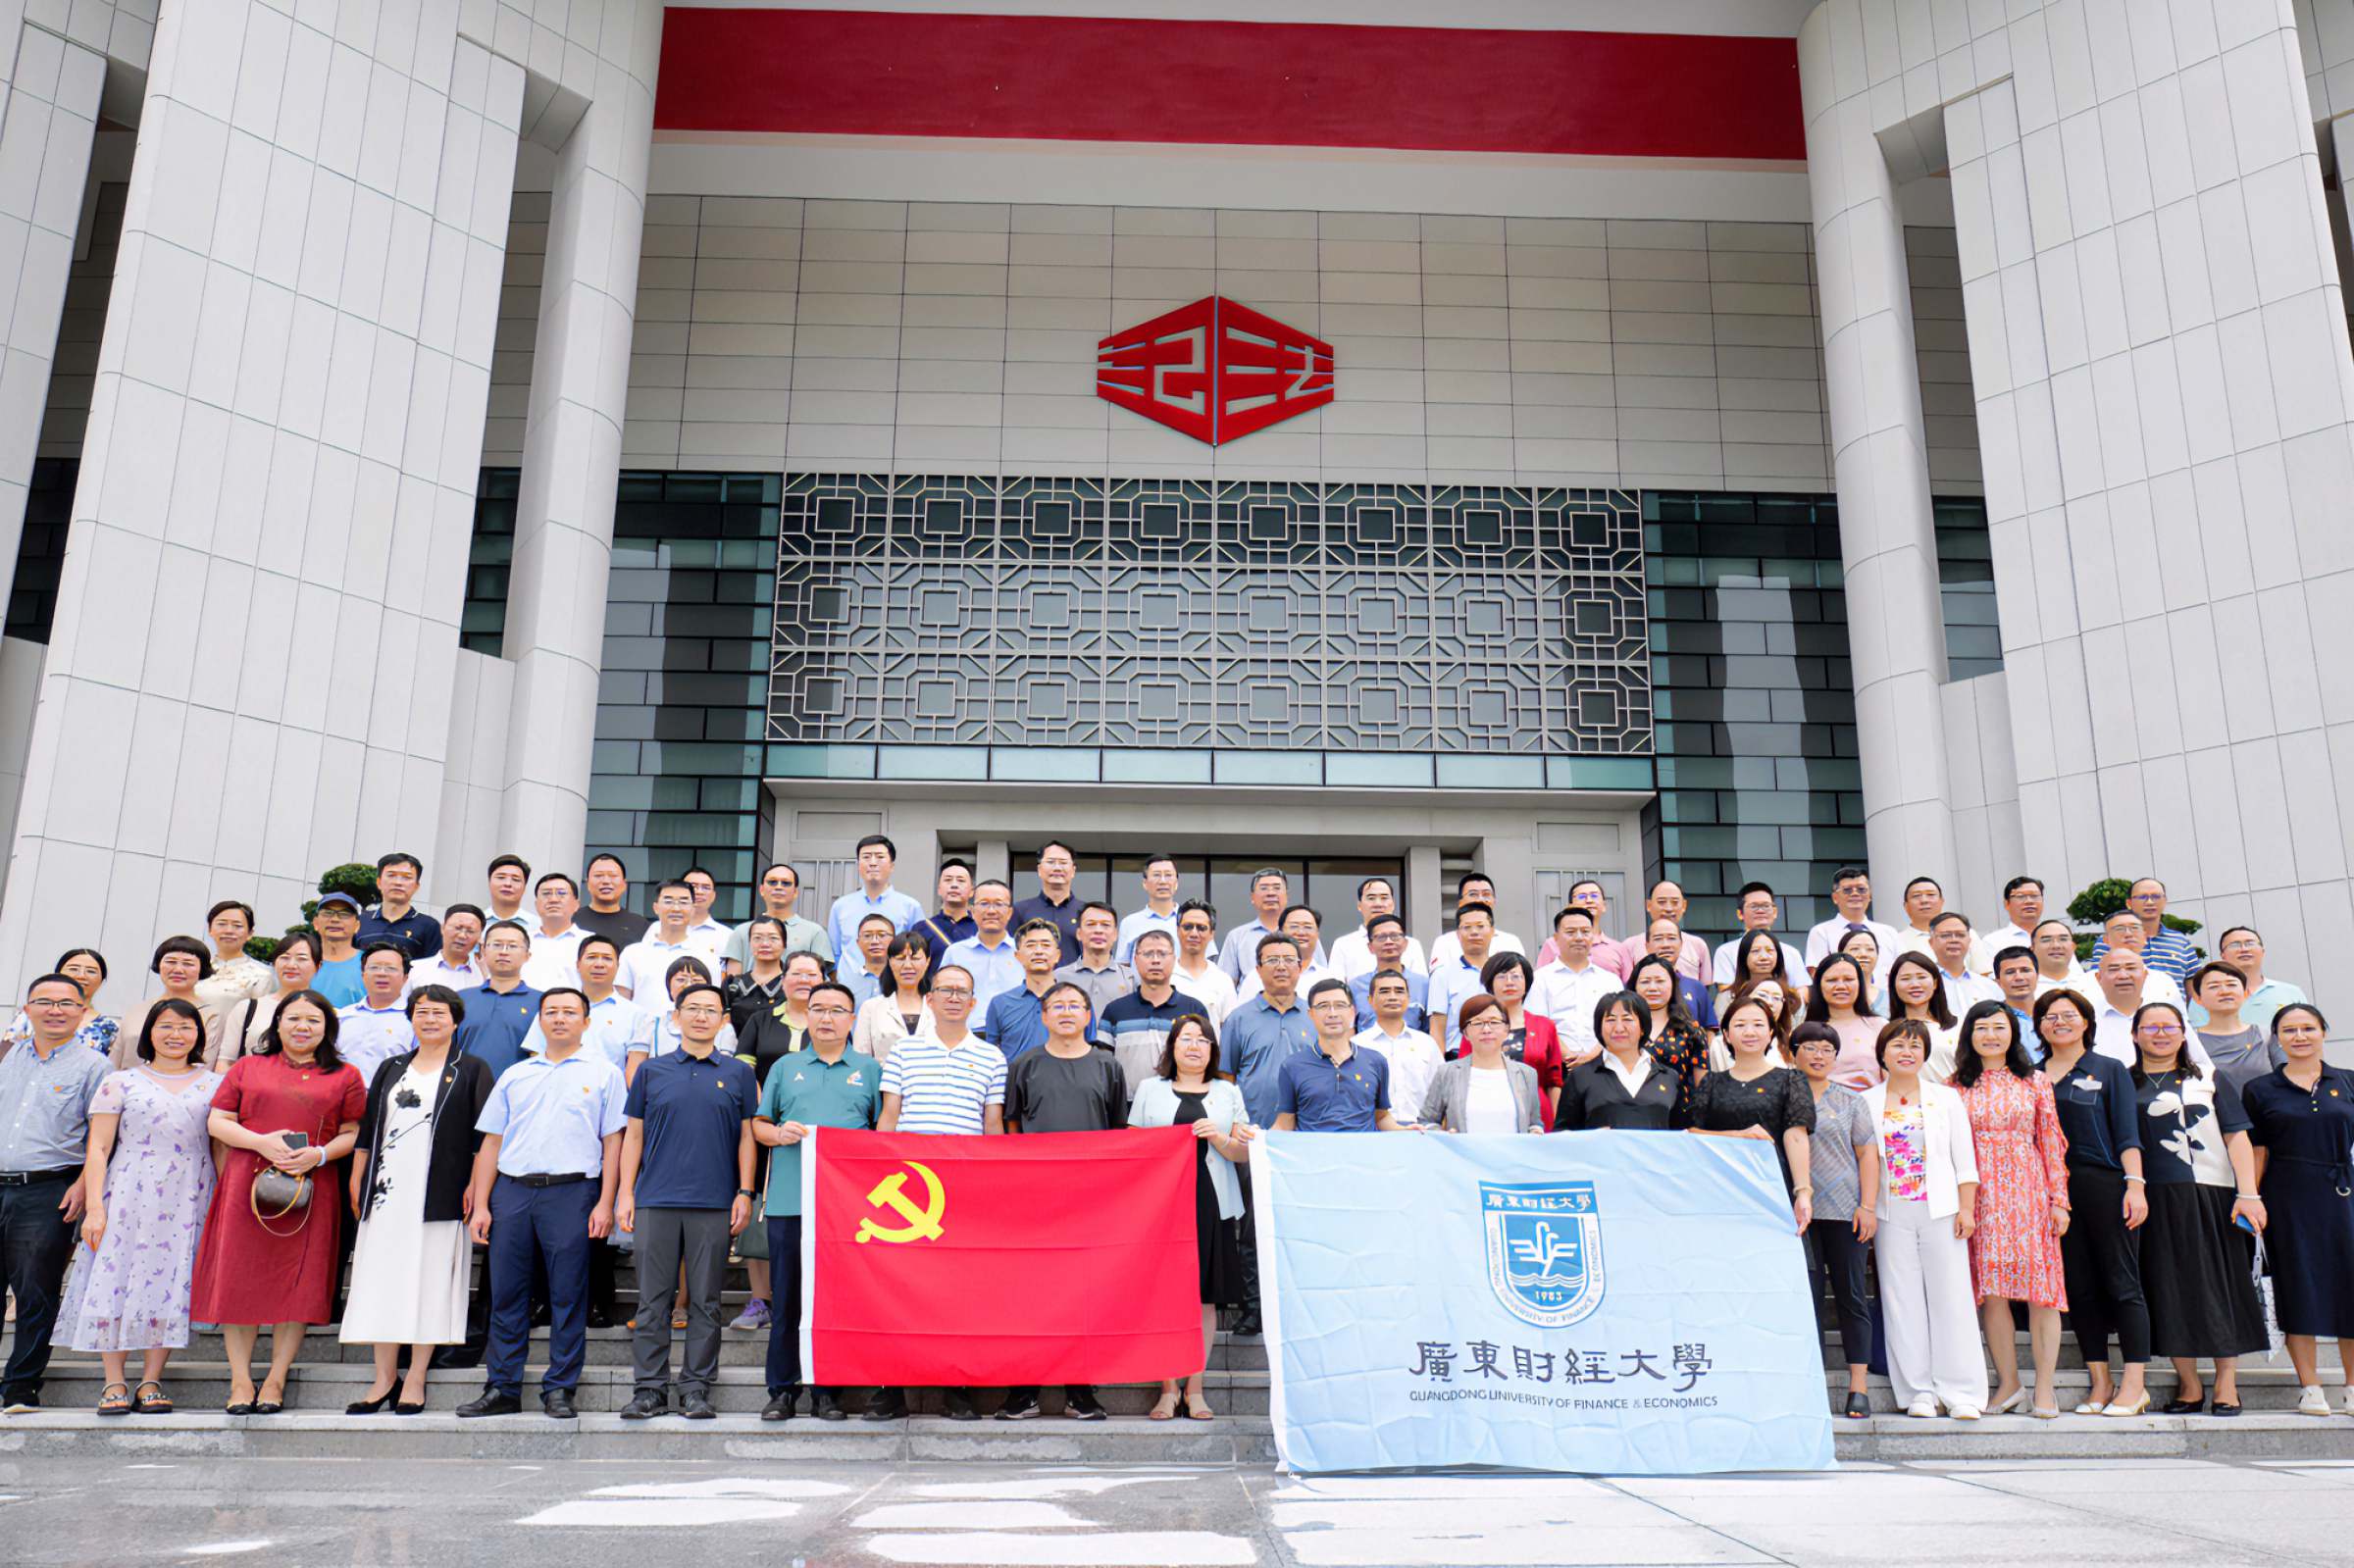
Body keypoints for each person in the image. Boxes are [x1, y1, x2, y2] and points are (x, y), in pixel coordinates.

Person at [455, 988, 629, 1421]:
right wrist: (482, 1204)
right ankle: (502, 1386)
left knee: (568, 1293)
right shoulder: (516, 1074)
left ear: (586, 1022)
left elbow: (614, 1142)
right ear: (540, 1020)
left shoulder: (605, 1073)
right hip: (513, 1192)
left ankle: (560, 1388)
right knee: (507, 1293)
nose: (560, 1019)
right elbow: (492, 1142)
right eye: (551, 1012)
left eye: (570, 1012)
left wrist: (605, 1202)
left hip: (573, 1192)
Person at [189, 988, 365, 1414]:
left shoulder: (345, 1075)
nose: (303, 1027)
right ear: (278, 1024)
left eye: (313, 1021)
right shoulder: (248, 1067)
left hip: (311, 1186)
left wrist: (319, 1154)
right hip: (246, 1184)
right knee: (239, 1279)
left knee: (298, 1283)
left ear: (328, 1029)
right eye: (293, 1019)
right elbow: (218, 1121)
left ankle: (276, 1378)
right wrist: (261, 1142)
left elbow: (353, 1132)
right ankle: (240, 1380)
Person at [56, 998, 220, 1416]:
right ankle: (113, 1380)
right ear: (149, 1033)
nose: (175, 1035)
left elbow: (220, 1147)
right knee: (115, 1277)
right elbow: (98, 1148)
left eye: (185, 1027)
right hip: (128, 1190)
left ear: (199, 1035)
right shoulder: (120, 1082)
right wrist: (95, 1207)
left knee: (172, 1279)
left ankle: (151, 1379)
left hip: (190, 1193)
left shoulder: (215, 1084)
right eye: (166, 1026)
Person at [339, 985, 496, 1414]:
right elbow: (368, 1130)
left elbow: (485, 1138)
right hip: (386, 1193)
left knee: (431, 1280)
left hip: (440, 1193)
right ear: (410, 1018)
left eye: (439, 1013)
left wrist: (476, 1188)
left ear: (456, 1021)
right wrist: (357, 1177)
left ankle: (416, 1376)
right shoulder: (391, 1068)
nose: (430, 1019)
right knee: (381, 1279)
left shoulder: (472, 1069)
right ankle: (383, 1377)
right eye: (422, 1012)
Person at [871, 964, 1004, 1421]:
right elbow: (890, 1115)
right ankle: (889, 1388)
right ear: (929, 999)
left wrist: (991, 1184)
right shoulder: (904, 1051)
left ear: (973, 1003)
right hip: (910, 1186)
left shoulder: (992, 1057)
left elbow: (992, 1124)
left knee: (959, 1290)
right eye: (944, 990)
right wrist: (882, 1170)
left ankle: (956, 1387)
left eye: (962, 992)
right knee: (898, 1288)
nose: (953, 998)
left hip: (965, 1186)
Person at [617, 982, 755, 1421]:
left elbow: (747, 1137)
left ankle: (696, 1388)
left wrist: (745, 1192)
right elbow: (633, 1136)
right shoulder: (651, 1071)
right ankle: (649, 1389)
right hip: (655, 1199)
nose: (700, 1016)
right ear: (675, 1017)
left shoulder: (738, 1073)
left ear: (723, 1020)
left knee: (706, 1301)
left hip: (714, 1202)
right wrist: (625, 1192)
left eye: (710, 1010)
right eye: (692, 1008)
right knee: (652, 1300)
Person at [751, 979, 881, 1422]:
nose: (827, 1018)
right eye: (818, 1009)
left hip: (846, 1210)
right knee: (787, 1299)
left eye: (837, 1010)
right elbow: (759, 1126)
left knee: (834, 1301)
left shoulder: (869, 1069)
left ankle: (827, 1390)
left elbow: (882, 1135)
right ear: (806, 1016)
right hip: (791, 1201)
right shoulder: (785, 1067)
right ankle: (782, 1390)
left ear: (852, 1018)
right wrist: (777, 1133)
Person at [999, 982, 1128, 1421]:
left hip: (1091, 1199)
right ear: (1044, 1016)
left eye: (1075, 1005)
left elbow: (1117, 1130)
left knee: (1084, 1294)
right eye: (1058, 1006)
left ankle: (1080, 1390)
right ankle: (1024, 1389)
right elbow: (1012, 1126)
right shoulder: (1024, 1065)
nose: (1067, 1012)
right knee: (1030, 1294)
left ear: (1089, 1015)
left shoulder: (1107, 1066)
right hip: (1035, 1199)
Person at [2131, 1000, 2266, 1417]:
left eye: (2169, 1027)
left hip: (2212, 1193)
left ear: (2183, 1032)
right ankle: (2188, 1383)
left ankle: (2227, 1382)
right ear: (2134, 1034)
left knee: (2220, 1284)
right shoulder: (2125, 1082)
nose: (2160, 1034)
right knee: (2167, 1286)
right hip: (2153, 1197)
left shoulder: (2209, 1077)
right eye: (2150, 1027)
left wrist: (2249, 1193)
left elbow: (2237, 1136)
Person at [2035, 986, 2153, 1416]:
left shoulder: (2108, 1069)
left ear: (2086, 1022)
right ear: (2039, 1026)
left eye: (2069, 1015)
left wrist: (2135, 1185)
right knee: (2079, 1287)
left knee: (2123, 1283)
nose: (2060, 1023)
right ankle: (2100, 1382)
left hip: (2104, 1184)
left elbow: (2127, 1133)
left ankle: (2135, 1385)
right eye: (2051, 1016)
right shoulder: (2031, 1075)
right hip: (2052, 1194)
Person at [1128, 1013, 1251, 1420]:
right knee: (1163, 1294)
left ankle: (1195, 1388)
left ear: (1212, 1050)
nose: (1194, 1046)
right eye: (1186, 1038)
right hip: (1161, 1203)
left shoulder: (1228, 1091)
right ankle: (1168, 1389)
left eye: (1202, 1039)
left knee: (1204, 1297)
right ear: (1172, 1047)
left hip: (1213, 1201)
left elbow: (1243, 1152)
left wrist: (1219, 1138)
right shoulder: (1150, 1089)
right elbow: (1133, 1146)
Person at [1952, 1000, 2070, 1419]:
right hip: (1979, 1195)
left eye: (1999, 1027)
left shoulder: (2035, 1081)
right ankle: (2009, 1382)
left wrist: (2059, 1200)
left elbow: (2051, 1141)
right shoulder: (1955, 1087)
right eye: (1981, 1027)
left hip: (2029, 1192)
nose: (1991, 1035)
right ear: (1969, 1035)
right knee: (1992, 1293)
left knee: (2043, 1292)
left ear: (2013, 1033)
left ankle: (2045, 1387)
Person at [2237, 1003, 2354, 1416]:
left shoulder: (2347, 1081)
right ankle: (2310, 1386)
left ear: (2324, 1032)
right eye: (2289, 1030)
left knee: (2349, 1288)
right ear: (2277, 1039)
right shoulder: (2260, 1089)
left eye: (2308, 1028)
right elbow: (2257, 1150)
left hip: (2342, 1194)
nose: (2300, 1036)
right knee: (2296, 1287)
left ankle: (2352, 1386)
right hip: (2286, 1198)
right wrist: (2251, 1198)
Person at [1865, 1018, 1984, 1419]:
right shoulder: (1866, 1101)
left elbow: (1964, 1159)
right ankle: (1918, 1391)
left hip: (1941, 1208)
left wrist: (1966, 1208)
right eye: (1898, 1045)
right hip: (1890, 1211)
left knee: (1951, 1297)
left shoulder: (1945, 1099)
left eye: (1915, 1046)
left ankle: (1962, 1392)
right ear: (1882, 1053)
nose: (1907, 1052)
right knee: (1902, 1300)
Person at [1787, 1020, 1877, 1418]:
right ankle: (1812, 1386)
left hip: (1844, 1210)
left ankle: (1859, 1386)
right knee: (1806, 1299)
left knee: (1852, 1296)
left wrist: (1867, 1205)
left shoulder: (1851, 1101)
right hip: (1796, 1213)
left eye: (1826, 1049)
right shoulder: (1784, 1096)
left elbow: (1867, 1154)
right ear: (1793, 1053)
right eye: (1809, 1047)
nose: (1818, 1055)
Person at [1689, 994, 1815, 1233]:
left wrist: (1803, 1192)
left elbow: (1796, 1136)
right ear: (1726, 1035)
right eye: (1740, 1025)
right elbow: (1693, 1133)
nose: (1749, 1032)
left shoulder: (1791, 1080)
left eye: (1758, 1024)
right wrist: (1738, 1135)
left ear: (1770, 1033)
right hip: (1721, 1186)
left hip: (1773, 1184)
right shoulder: (1711, 1082)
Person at [1273, 979, 1403, 1133]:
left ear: (1352, 1011)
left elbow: (1381, 1117)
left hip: (1364, 1148)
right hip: (1313, 1148)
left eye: (1340, 1005)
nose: (1332, 1013)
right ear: (1311, 1014)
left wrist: (1407, 1132)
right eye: (1323, 1006)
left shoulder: (1376, 1062)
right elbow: (1284, 1123)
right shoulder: (1292, 1066)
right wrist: (1257, 1138)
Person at [1553, 991, 1683, 1132]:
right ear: (1599, 1028)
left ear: (1643, 1028)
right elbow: (1562, 1135)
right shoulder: (1581, 1076)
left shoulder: (1669, 1077)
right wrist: (1590, 1138)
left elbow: (1681, 1135)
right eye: (1610, 1020)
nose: (1619, 1028)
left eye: (1627, 1019)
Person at [1421, 992, 1544, 1134]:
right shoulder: (1447, 1073)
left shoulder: (1526, 1074)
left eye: (1494, 1022)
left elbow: (1534, 1123)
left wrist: (1536, 1131)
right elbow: (1427, 1122)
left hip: (1512, 1148)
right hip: (1463, 1148)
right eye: (1477, 1023)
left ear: (1506, 1029)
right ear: (1465, 1032)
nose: (1486, 1029)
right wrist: (1446, 1136)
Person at [1100, 930, 1206, 1092]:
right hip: (1125, 1104)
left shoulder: (1194, 1010)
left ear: (1174, 959)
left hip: (1180, 1102)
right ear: (1135, 960)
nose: (1155, 960)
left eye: (1162, 954)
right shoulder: (1115, 1011)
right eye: (1148, 954)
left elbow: (1206, 1061)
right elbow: (1102, 1067)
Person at [1473, 951, 1566, 1117]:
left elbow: (1554, 1081)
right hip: (1486, 1110)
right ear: (1490, 983)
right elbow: (1464, 1074)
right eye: (1502, 976)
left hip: (1536, 1112)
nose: (1509, 982)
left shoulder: (1545, 1026)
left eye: (1516, 976)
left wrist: (1554, 1120)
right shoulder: (1476, 1024)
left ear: (1526, 983)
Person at [209, 933, 321, 1070]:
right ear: (274, 963)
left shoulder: (327, 1013)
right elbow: (226, 1061)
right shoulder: (248, 1008)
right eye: (284, 958)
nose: (291, 965)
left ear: (318, 966)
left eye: (301, 959)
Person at [2091, 946, 2210, 1071]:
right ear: (2098, 978)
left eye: (2131, 968)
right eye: (2113, 969)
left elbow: (2202, 1066)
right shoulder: (2086, 1019)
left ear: (2145, 976)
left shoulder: (2167, 1015)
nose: (2123, 975)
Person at [1352, 970, 1442, 1126]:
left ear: (1408, 999)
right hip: (1372, 1131)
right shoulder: (1356, 1045)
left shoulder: (1427, 1044)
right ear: (1370, 1000)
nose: (1392, 997)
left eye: (1399, 991)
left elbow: (1442, 1092)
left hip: (1421, 1130)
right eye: (1384, 991)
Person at [1529, 906, 1619, 1062]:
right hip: (1557, 1064)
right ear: (1556, 938)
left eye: (1585, 932)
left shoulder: (1610, 980)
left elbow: (1617, 1022)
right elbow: (1538, 1024)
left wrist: (1592, 1057)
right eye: (1570, 932)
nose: (1579, 937)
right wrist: (1568, 1056)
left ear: (1593, 936)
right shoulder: (1540, 979)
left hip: (1604, 1062)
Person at [2, 946, 119, 1064]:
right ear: (58, 974)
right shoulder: (31, 1014)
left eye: (91, 971)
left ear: (102, 980)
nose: (82, 976)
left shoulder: (110, 1028)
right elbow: (5, 1054)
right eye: (73, 969)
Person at [455, 922, 544, 1076]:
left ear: (527, 956)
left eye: (512, 946)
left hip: (519, 1087)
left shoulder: (543, 1003)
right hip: (465, 1087)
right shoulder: (460, 1000)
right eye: (496, 945)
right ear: (483, 951)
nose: (504, 952)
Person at [1623, 954, 1708, 1116]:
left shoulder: (1691, 1030)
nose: (1652, 988)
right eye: (1645, 982)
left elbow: (1702, 1086)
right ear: (1634, 986)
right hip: (1630, 1115)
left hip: (1679, 1117)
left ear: (1673, 985)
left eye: (1660, 981)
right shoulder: (1621, 1028)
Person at [2187, 960, 2283, 1096]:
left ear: (2245, 993)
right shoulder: (2190, 1041)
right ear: (2198, 999)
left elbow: (2286, 1079)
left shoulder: (2267, 1035)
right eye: (2214, 986)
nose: (2224, 992)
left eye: (2231, 985)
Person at [722, 861, 834, 976]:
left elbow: (821, 979)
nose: (779, 887)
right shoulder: (741, 931)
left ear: (795, 892)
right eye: (772, 882)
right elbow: (733, 979)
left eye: (786, 883)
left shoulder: (815, 932)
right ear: (761, 890)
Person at [2195, 927, 2309, 1035]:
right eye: (2235, 945)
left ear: (2262, 951)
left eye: (2250, 943)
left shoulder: (2291, 992)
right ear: (2222, 955)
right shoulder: (2205, 995)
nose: (2244, 949)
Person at [980, 918, 1065, 1060]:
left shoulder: (1076, 1002)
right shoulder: (1000, 1003)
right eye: (1031, 945)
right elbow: (991, 1054)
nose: (1038, 951)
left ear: (1057, 955)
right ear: (1017, 956)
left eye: (1045, 945)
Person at [335, 943, 417, 1092]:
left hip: (392, 1099)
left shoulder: (414, 1019)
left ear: (405, 978)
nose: (382, 973)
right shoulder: (342, 1017)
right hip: (345, 1099)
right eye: (374, 967)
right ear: (363, 975)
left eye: (391, 968)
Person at [2090, 878, 2200, 986]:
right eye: (2142, 897)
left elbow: (2194, 985)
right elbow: (2096, 981)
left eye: (2156, 896)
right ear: (2129, 903)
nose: (2150, 902)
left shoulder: (2181, 941)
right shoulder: (2110, 940)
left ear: (2165, 901)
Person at [1425, 901, 1502, 1048]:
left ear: (1492, 931)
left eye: (1480, 926)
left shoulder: (1503, 972)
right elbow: (1437, 1028)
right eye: (1467, 927)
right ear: (1458, 934)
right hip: (1456, 1054)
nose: (1474, 932)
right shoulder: (1442, 974)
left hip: (1499, 1054)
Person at [943, 880, 1023, 1020]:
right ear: (972, 911)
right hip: (968, 1031)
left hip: (1015, 1031)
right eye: (984, 903)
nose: (991, 911)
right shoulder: (955, 953)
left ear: (1010, 912)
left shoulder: (1023, 952)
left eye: (999, 904)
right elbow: (942, 996)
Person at [1804, 865, 1903, 974]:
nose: (1855, 893)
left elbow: (1902, 970)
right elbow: (1816, 973)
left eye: (1861, 889)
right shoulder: (1821, 932)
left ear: (1870, 896)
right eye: (1847, 890)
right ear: (1835, 898)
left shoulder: (1889, 933)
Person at [1806, 951, 1881, 1090]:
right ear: (1819, 985)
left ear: (1860, 983)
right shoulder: (1805, 1031)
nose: (1841, 986)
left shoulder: (1879, 1026)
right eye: (1832, 980)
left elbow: (1891, 1081)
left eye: (1848, 979)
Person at [1709, 882, 1806, 990]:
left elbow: (1802, 990)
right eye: (1754, 906)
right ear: (1740, 914)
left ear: (1775, 912)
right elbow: (1725, 990)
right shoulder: (1726, 952)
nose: (1760, 910)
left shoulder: (1791, 952)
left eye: (1766, 906)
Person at [853, 931, 935, 1060]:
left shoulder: (939, 1007)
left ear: (927, 962)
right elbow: (861, 1058)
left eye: (915, 958)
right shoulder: (871, 1008)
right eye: (900, 959)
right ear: (890, 962)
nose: (907, 965)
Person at [1054, 902, 1137, 1027]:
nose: (1098, 930)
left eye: (1105, 925)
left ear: (1115, 934)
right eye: (1091, 924)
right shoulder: (1059, 977)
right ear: (1079, 933)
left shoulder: (1131, 978)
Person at [618, 881, 702, 1003]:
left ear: (693, 909)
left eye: (683, 902)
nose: (676, 908)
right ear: (656, 908)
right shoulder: (632, 953)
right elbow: (622, 1001)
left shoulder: (706, 956)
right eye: (668, 902)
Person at [1328, 875, 1425, 981]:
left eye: (1384, 898)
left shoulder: (1412, 945)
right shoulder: (1343, 944)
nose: (1378, 904)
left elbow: (1420, 985)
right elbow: (1335, 985)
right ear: (1359, 905)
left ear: (1393, 904)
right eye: (1371, 898)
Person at [136, 936, 213, 1070]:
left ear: (202, 969)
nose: (178, 970)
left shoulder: (212, 1014)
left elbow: (206, 1063)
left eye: (188, 964)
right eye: (171, 962)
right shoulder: (138, 1010)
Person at [1890, 876, 1991, 974]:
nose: (1924, 900)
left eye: (1930, 894)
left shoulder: (1965, 933)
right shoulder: (1896, 940)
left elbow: (1983, 974)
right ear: (1906, 906)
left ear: (1941, 902)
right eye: (1916, 896)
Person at [1885, 951, 1961, 1080]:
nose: (1915, 984)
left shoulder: (1958, 1027)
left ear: (1935, 983)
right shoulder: (1886, 1030)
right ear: (1894, 986)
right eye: (1905, 979)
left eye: (1921, 977)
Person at [1347, 915, 1429, 1031]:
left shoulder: (1423, 984)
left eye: (1395, 936)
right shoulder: (1355, 986)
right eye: (1381, 937)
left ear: (1405, 943)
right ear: (1370, 947)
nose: (1389, 941)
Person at [1219, 868, 1300, 986]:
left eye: (1277, 888)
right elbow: (1226, 983)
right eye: (1264, 888)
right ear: (1252, 897)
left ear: (1287, 896)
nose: (1271, 893)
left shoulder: (1303, 935)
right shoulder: (1236, 937)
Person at [1237, 904, 1332, 1003]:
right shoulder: (1258, 976)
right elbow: (1244, 1011)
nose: (1301, 932)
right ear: (1280, 931)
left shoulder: (1328, 978)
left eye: (1308, 927)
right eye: (1294, 926)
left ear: (1317, 934)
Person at [2095, 911, 2187, 1012]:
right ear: (2106, 940)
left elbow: (2180, 1019)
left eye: (2135, 928)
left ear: (2144, 937)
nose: (2128, 934)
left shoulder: (2164, 982)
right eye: (2119, 929)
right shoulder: (2086, 984)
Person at [1429, 872, 1524, 969]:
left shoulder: (1510, 941)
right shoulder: (1444, 942)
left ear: (1494, 900)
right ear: (1460, 902)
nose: (1480, 899)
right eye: (1473, 894)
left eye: (1486, 894)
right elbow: (1439, 976)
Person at [1011, 839, 1086, 963]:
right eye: (1051, 862)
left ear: (1073, 870)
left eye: (1063, 863)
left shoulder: (1086, 912)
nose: (1057, 868)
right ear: (1039, 869)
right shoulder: (1019, 910)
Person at [196, 900, 274, 1018]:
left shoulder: (262, 974)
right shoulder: (196, 968)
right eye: (221, 924)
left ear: (250, 933)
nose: (229, 931)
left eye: (237, 926)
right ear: (210, 930)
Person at [360, 851, 441, 960]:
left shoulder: (429, 926)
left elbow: (433, 965)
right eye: (391, 875)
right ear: (379, 882)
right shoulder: (360, 921)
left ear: (416, 886)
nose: (398, 882)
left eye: (407, 877)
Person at [1170, 899, 1238, 1025]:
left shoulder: (1222, 980)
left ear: (1212, 934)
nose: (1194, 933)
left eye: (1201, 928)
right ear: (1178, 930)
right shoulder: (1165, 976)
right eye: (1188, 927)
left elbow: (1230, 1028)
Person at [1114, 855, 1190, 968]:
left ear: (1177, 883)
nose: (1163, 881)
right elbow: (1123, 968)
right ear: (1145, 883)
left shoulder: (1192, 921)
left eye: (1168, 875)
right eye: (1156, 875)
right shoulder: (1130, 923)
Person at [522, 873, 589, 991]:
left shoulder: (590, 942)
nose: (553, 899)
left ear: (576, 905)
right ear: (536, 905)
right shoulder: (521, 941)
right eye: (546, 894)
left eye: (562, 893)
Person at [725, 915, 792, 1034]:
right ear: (749, 943)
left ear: (784, 944)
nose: (765, 944)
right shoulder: (733, 986)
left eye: (773, 938)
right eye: (757, 938)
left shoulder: (791, 985)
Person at [405, 904, 486, 996]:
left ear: (480, 936)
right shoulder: (413, 969)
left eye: (470, 931)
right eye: (457, 928)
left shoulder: (484, 975)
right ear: (443, 928)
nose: (462, 936)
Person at [1717, 928, 1801, 1016]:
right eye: (1755, 951)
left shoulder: (1792, 998)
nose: (1764, 957)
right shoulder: (1728, 997)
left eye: (1770, 951)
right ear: (1744, 956)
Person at [912, 857, 978, 967]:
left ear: (972, 891)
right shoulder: (922, 928)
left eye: (961, 880)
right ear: (939, 889)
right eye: (948, 880)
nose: (954, 885)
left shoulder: (982, 929)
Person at [1642, 880, 1712, 982]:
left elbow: (1704, 987)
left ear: (1684, 906)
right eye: (1661, 902)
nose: (1669, 908)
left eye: (1675, 902)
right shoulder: (1630, 946)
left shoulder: (1698, 945)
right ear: (1648, 905)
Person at [1928, 912, 1999, 1011]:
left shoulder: (1989, 986)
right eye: (1945, 935)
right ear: (1931, 942)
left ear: (1969, 941)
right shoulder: (1925, 985)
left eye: (1960, 935)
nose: (1954, 940)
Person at [577, 852, 643, 950]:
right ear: (587, 884)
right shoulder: (571, 921)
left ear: (624, 884)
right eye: (598, 875)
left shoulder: (640, 925)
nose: (606, 881)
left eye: (613, 875)